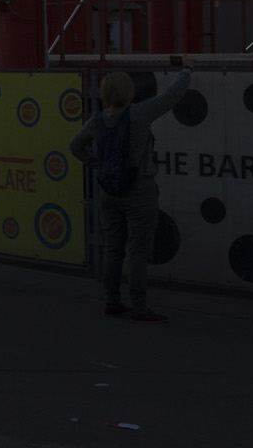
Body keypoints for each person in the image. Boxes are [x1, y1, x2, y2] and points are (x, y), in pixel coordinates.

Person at [70, 59, 191, 322]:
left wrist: (98, 165)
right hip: (140, 190)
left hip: (109, 192)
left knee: (113, 248)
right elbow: (172, 96)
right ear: (129, 92)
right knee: (138, 251)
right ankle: (139, 306)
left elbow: (75, 146)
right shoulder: (139, 114)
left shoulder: (97, 120)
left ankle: (112, 301)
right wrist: (187, 70)